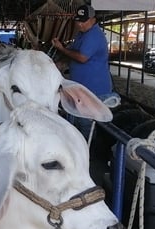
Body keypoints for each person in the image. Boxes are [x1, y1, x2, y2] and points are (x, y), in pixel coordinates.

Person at [51, 4, 116, 139]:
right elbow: (72, 54)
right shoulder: (82, 34)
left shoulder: (94, 35)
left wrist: (61, 48)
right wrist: (58, 65)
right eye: (78, 20)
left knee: (86, 123)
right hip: (81, 88)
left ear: (93, 19)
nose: (80, 24)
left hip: (94, 89)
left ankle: (88, 154)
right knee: (77, 120)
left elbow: (82, 57)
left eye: (83, 21)